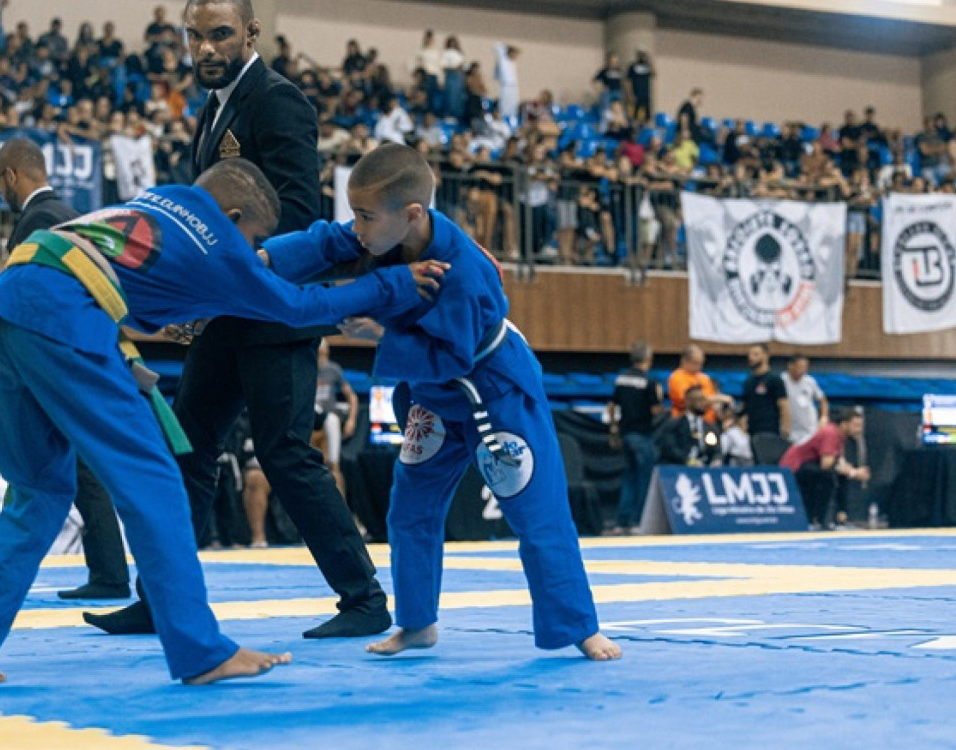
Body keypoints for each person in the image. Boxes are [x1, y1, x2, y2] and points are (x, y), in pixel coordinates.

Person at [0, 157, 446, 687]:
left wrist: (346, 237)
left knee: (37, 492)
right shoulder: (220, 245)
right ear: (231, 215)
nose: (252, 254)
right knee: (155, 481)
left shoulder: (163, 204)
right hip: (61, 317)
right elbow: (293, 304)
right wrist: (394, 287)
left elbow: (273, 259)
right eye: (251, 239)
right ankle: (201, 651)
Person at [86, 0, 394, 641]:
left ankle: (365, 598)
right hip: (226, 310)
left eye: (219, 34)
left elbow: (300, 211)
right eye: (195, 35)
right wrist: (195, 298)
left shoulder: (276, 100)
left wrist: (230, 279)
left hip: (273, 309)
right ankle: (162, 596)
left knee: (284, 453)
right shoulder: (214, 108)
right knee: (189, 450)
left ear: (252, 32)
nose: (205, 48)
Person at [262, 143, 620, 662]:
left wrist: (379, 336)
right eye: (355, 214)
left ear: (411, 215)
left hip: (495, 394)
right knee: (410, 508)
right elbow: (326, 243)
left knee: (536, 511)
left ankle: (580, 626)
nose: (357, 228)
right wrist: (265, 257)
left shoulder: (465, 271)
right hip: (432, 400)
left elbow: (452, 356)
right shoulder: (381, 235)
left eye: (365, 216)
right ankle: (416, 623)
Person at [0, 136, 129, 600]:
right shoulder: (67, 215)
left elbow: (34, 297)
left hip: (55, 357)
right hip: (75, 355)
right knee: (79, 473)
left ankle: (2, 574)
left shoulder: (42, 218)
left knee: (33, 472)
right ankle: (107, 575)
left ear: (10, 175)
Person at [780, 407, 869, 530]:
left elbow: (840, 462)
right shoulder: (831, 434)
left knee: (843, 475)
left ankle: (841, 518)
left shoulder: (840, 437)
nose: (859, 430)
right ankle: (818, 520)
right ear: (844, 424)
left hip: (810, 466)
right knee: (828, 476)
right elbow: (826, 464)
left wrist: (854, 472)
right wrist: (853, 472)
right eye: (856, 425)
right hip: (794, 468)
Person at [607, 341, 662, 534]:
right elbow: (655, 409)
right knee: (643, 479)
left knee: (629, 478)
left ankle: (621, 521)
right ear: (648, 359)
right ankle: (637, 522)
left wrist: (614, 428)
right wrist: (659, 397)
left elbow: (612, 406)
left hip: (627, 433)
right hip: (642, 434)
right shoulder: (649, 382)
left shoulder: (622, 380)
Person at [312, 340, 358, 499]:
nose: (320, 358)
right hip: (309, 420)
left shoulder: (333, 369)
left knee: (333, 467)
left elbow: (352, 396)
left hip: (328, 419)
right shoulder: (305, 368)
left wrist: (351, 419)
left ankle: (342, 509)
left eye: (323, 354)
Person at [657, 386, 723, 467]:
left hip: (705, 469)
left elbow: (716, 450)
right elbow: (670, 449)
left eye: (704, 400)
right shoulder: (674, 425)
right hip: (679, 468)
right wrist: (687, 461)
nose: (703, 403)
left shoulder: (710, 428)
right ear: (688, 402)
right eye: (699, 400)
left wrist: (716, 460)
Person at [740, 343, 789, 440]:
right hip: (752, 432)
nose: (751, 358)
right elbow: (746, 406)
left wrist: (785, 430)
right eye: (750, 354)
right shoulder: (748, 382)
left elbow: (784, 406)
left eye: (755, 354)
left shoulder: (774, 379)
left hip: (771, 431)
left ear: (766, 356)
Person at [782, 354, 828, 446]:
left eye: (805, 367)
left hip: (809, 429)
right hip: (791, 431)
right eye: (800, 367)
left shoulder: (810, 381)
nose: (803, 370)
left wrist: (824, 417)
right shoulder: (782, 381)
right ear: (791, 366)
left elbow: (822, 400)